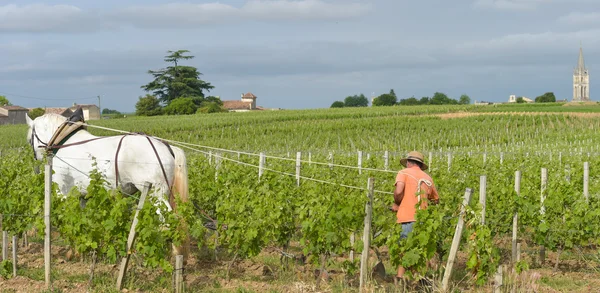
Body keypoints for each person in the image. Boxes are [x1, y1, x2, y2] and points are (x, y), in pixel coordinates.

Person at [392, 151, 439, 282]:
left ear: (408, 162)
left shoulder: (403, 173)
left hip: (407, 218)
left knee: (406, 249)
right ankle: (413, 278)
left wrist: (397, 203)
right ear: (420, 164)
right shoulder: (428, 178)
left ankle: (408, 279)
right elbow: (436, 200)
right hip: (423, 220)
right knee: (419, 250)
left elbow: (399, 191)